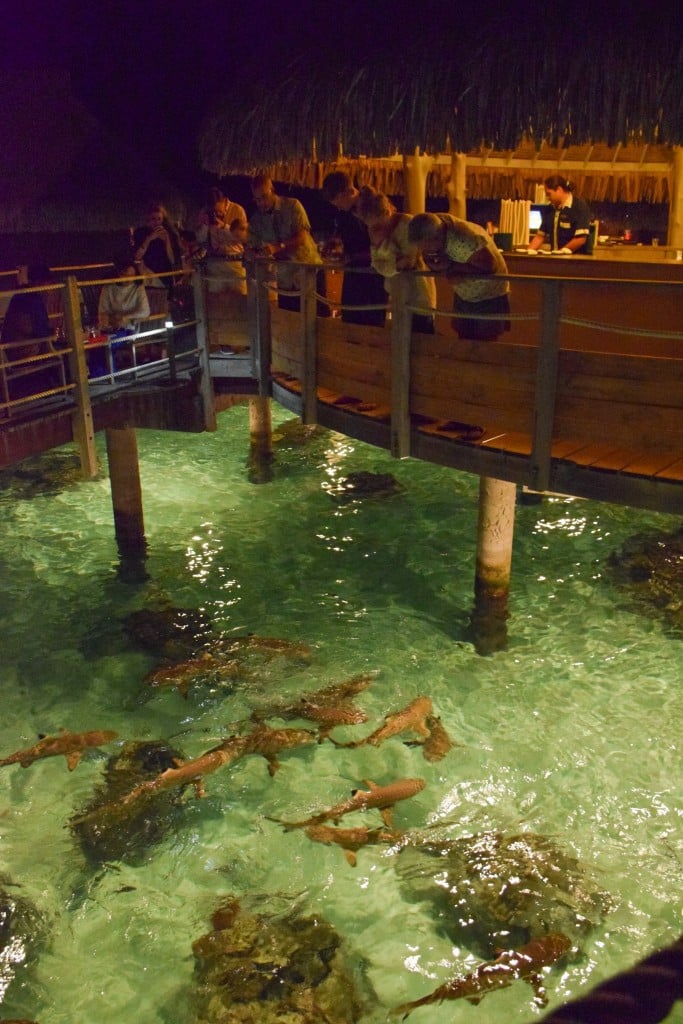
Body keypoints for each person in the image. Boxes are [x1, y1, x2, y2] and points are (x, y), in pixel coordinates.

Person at [408, 212, 510, 340]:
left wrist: (451, 267)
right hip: (465, 293)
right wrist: (440, 265)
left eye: (425, 246)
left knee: (485, 344)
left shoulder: (463, 239)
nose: (423, 250)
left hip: (490, 293)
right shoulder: (436, 224)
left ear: (436, 238)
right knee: (463, 338)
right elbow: (432, 260)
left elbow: (490, 266)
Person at [355, 187, 435, 333]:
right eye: (371, 227)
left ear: (387, 213)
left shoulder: (409, 225)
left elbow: (407, 263)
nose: (375, 230)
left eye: (378, 225)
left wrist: (384, 244)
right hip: (396, 295)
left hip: (418, 295)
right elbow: (378, 264)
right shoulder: (374, 231)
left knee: (422, 337)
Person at [246, 174, 326, 313]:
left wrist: (278, 247)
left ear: (272, 189)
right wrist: (252, 253)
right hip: (285, 279)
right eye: (257, 200)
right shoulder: (256, 220)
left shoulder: (292, 205)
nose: (261, 203)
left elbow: (303, 236)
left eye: (264, 197)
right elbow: (251, 245)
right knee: (289, 324)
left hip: (308, 271)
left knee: (317, 321)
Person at [321, 171, 387, 326]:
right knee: (349, 320)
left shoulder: (372, 208)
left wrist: (352, 257)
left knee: (370, 326)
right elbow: (342, 235)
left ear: (347, 192)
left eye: (337, 201)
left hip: (372, 279)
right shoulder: (344, 213)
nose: (337, 206)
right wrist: (333, 244)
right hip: (353, 276)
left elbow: (383, 248)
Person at [0, 263, 61, 400]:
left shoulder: (20, 295)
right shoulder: (33, 299)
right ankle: (59, 387)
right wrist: (54, 334)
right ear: (41, 282)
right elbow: (41, 332)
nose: (51, 287)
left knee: (54, 344)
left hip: (9, 351)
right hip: (24, 352)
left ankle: (55, 385)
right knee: (61, 349)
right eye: (49, 283)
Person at [527, 177, 593, 255]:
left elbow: (581, 239)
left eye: (549, 194)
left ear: (559, 190)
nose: (548, 198)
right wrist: (528, 252)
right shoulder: (550, 209)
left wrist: (560, 253)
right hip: (556, 260)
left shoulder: (579, 206)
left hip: (576, 261)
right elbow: (540, 236)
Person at [132, 203, 182, 305]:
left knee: (164, 302)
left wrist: (167, 241)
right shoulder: (141, 233)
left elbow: (172, 259)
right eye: (153, 219)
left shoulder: (169, 234)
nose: (156, 222)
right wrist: (149, 239)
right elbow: (137, 256)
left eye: (159, 219)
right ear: (148, 219)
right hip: (148, 273)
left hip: (164, 272)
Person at [98, 252, 151, 332]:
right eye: (125, 275)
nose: (129, 279)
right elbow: (103, 310)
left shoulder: (138, 287)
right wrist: (109, 320)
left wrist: (125, 317)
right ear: (118, 273)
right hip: (113, 326)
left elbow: (145, 311)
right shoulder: (108, 287)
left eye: (132, 276)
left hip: (131, 326)